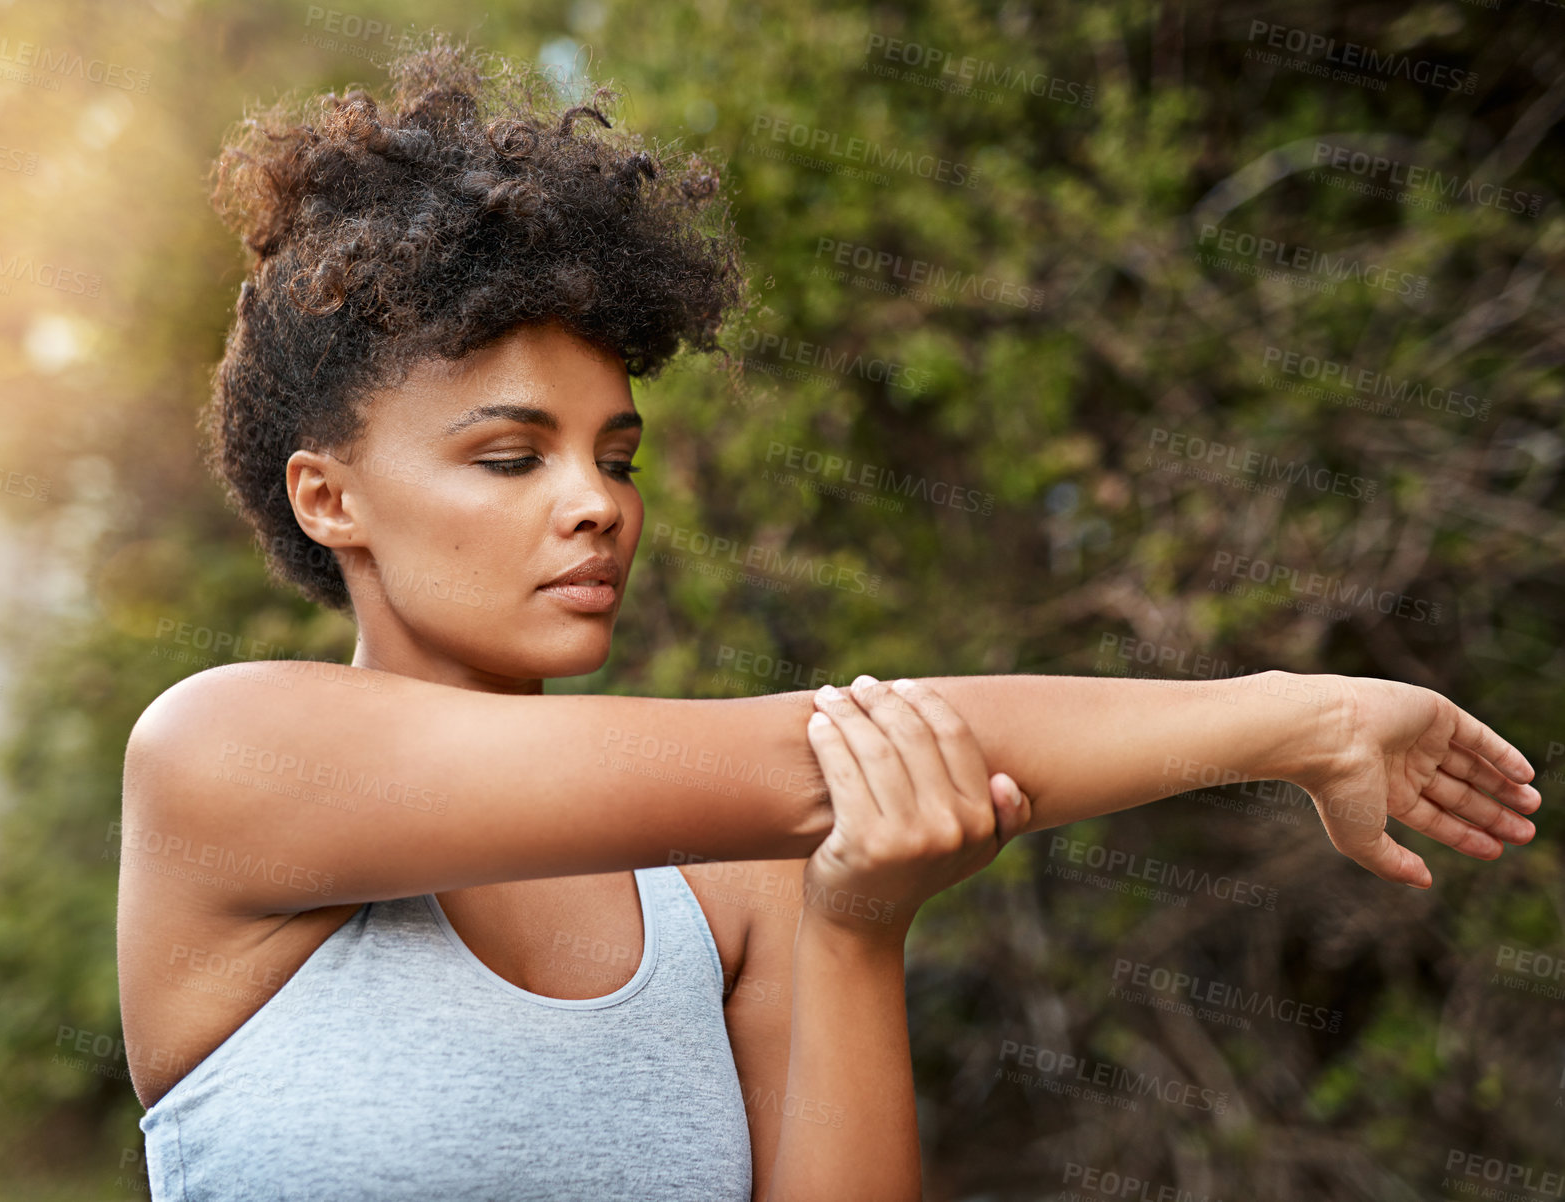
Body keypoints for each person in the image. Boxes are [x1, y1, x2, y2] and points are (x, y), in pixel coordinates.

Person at [116, 36, 1541, 1202]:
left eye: (614, 456)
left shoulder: (730, 877)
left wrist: (856, 923)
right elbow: (821, 755)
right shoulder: (229, 753)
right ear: (327, 498)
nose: (594, 504)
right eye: (509, 456)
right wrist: (1306, 713)